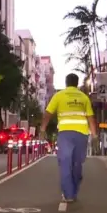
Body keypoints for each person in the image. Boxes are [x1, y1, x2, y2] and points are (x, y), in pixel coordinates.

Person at [39, 74, 97, 202]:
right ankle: (72, 191)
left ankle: (69, 194)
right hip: (82, 134)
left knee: (65, 163)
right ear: (76, 83)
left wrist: (42, 129)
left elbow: (47, 114)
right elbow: (90, 117)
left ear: (66, 83)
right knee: (77, 164)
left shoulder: (59, 96)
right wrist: (94, 135)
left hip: (65, 134)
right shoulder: (84, 97)